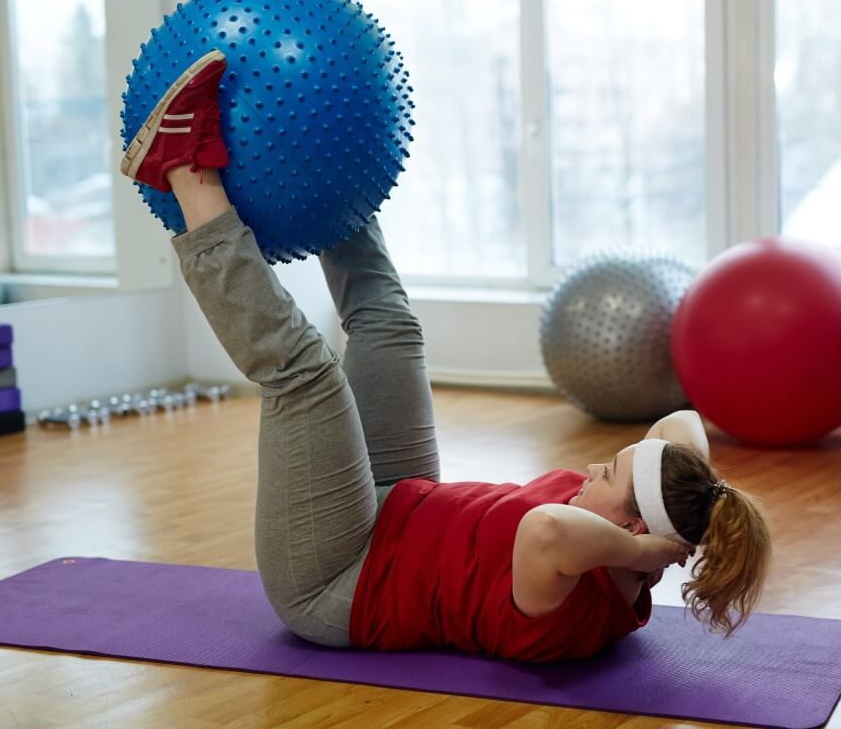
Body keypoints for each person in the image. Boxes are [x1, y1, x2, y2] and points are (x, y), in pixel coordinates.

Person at [120, 50, 772, 663]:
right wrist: (699, 502)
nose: (593, 469)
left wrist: (651, 543)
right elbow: (679, 425)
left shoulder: (571, 597)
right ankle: (324, 169)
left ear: (631, 531)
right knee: (390, 326)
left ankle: (183, 170)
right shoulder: (614, 531)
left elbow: (547, 529)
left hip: (337, 581)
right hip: (402, 503)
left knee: (306, 376)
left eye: (608, 478)